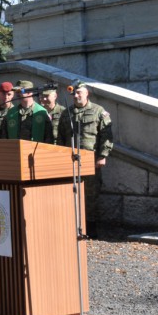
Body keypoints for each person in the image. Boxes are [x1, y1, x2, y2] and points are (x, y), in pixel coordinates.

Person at [56, 82, 113, 237]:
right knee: (71, 195)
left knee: (91, 196)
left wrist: (103, 156)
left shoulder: (98, 111)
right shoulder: (67, 113)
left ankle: (91, 230)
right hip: (71, 162)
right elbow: (60, 137)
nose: (76, 96)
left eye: (79, 92)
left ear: (87, 93)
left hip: (91, 161)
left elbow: (106, 136)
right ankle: (73, 228)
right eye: (74, 93)